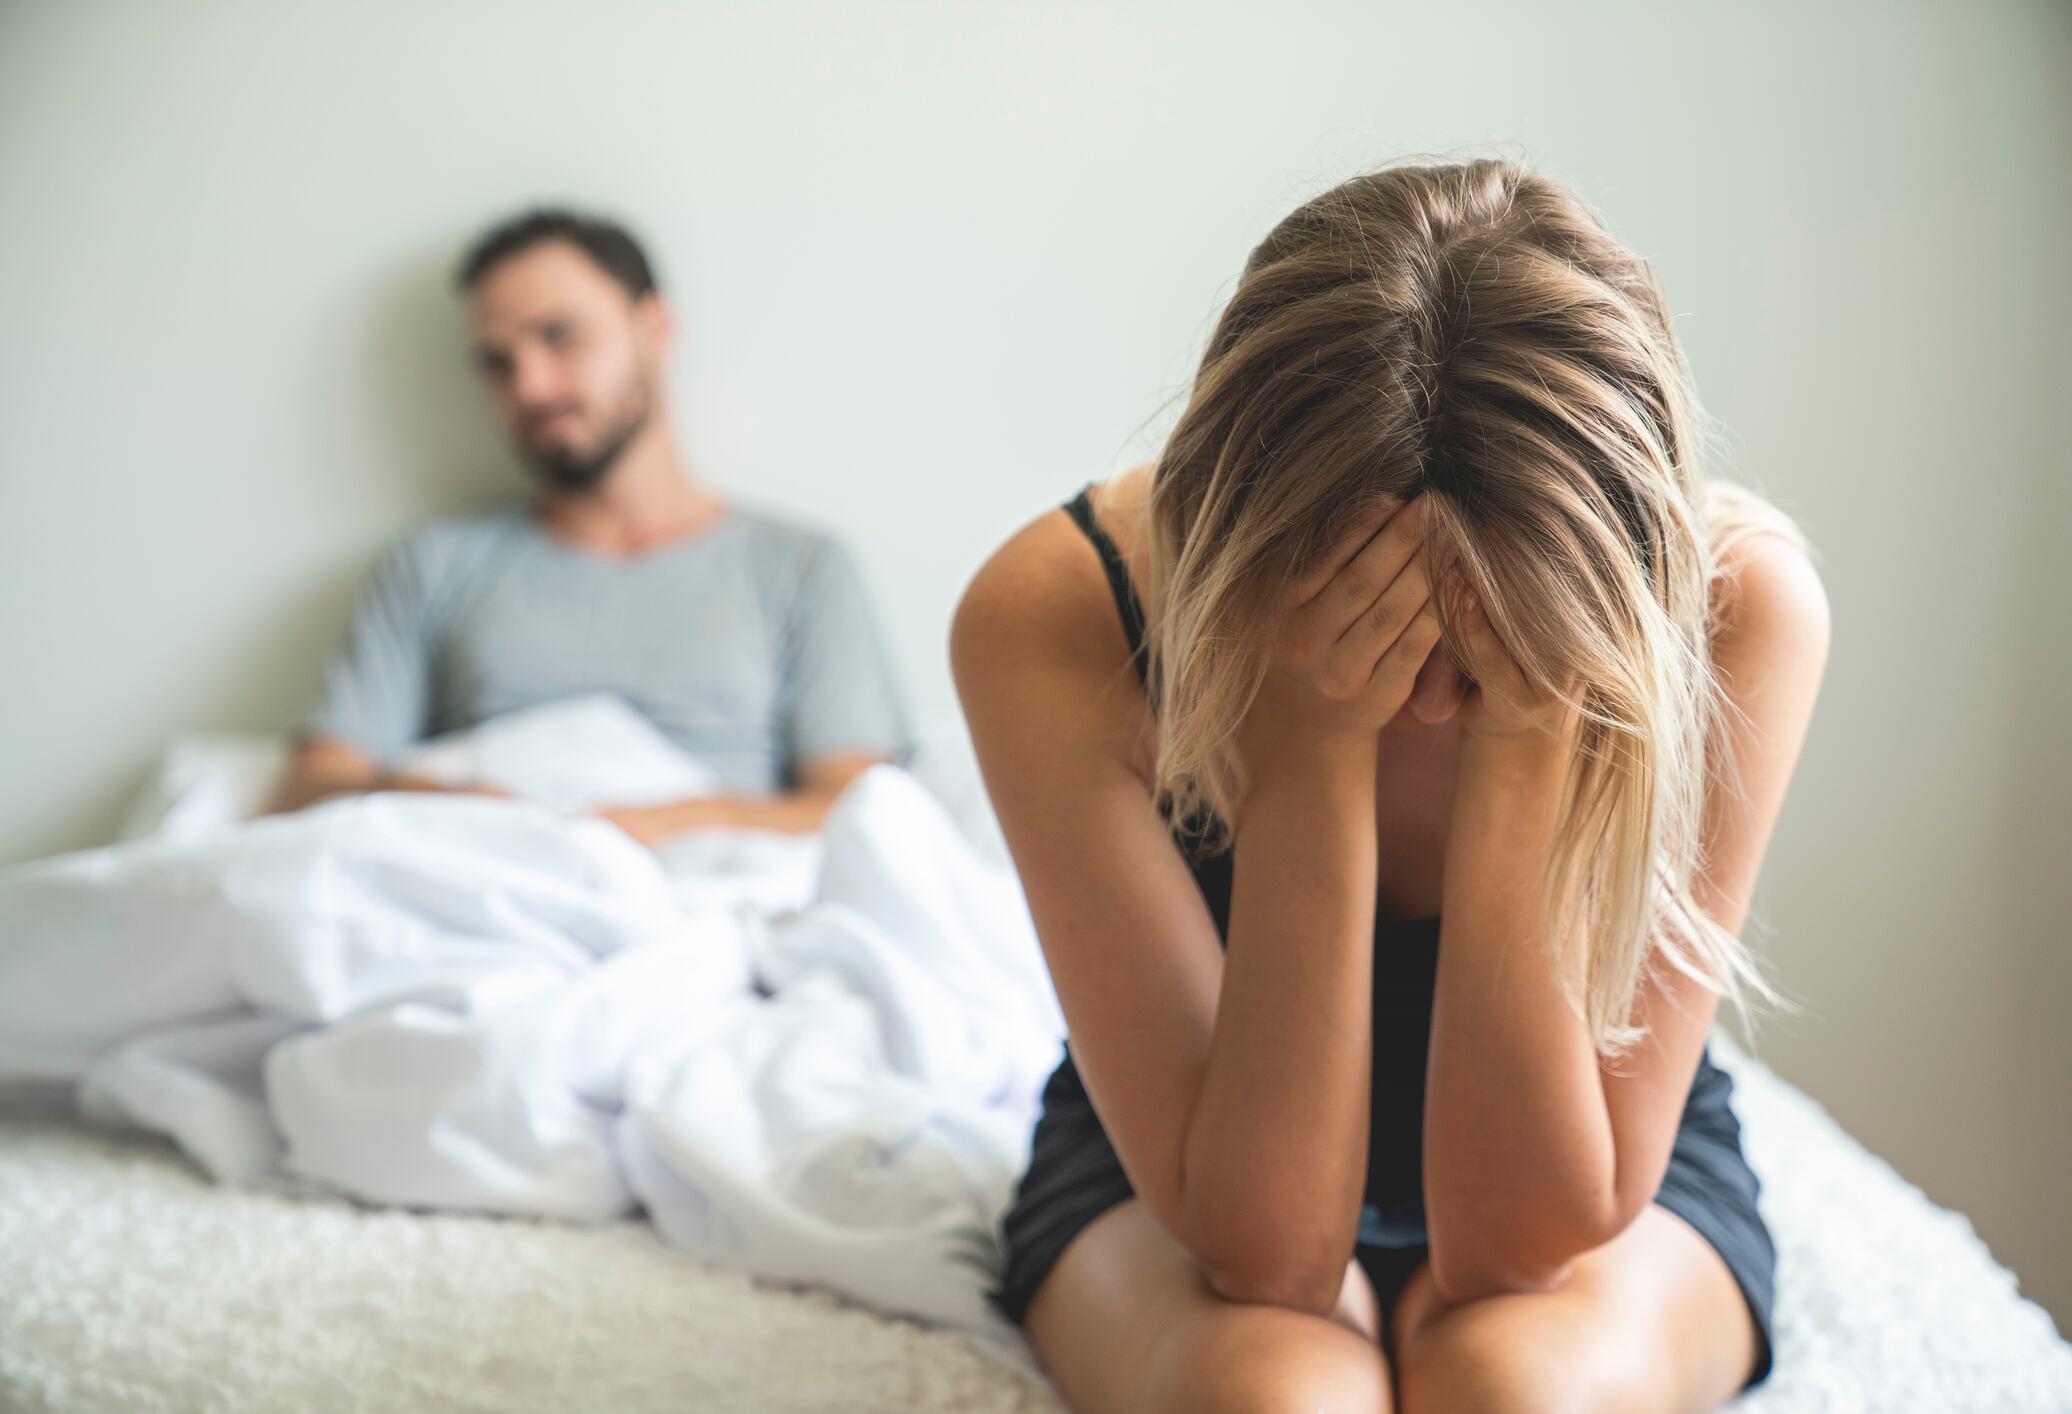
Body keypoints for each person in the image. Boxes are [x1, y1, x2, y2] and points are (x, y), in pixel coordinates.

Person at [950, 160, 1830, 1412]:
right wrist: (1309, 749)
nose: (1421, 702)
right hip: (1186, 1145)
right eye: (1370, 612)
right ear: (1231, 529)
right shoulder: (1063, 611)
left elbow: (1521, 1245)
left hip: (1587, 1151)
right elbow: (1262, 1252)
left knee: (1515, 1395)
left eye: (1472, 645)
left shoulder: (1733, 610)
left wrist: (1529, 743)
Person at [269, 209, 912, 840]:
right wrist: (459, 806)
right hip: (493, 891)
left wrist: (661, 824)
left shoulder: (801, 568)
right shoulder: (433, 565)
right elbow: (307, 790)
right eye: (497, 363)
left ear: (655, 327)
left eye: (560, 336)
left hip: (712, 905)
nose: (531, 387)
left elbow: (858, 812)